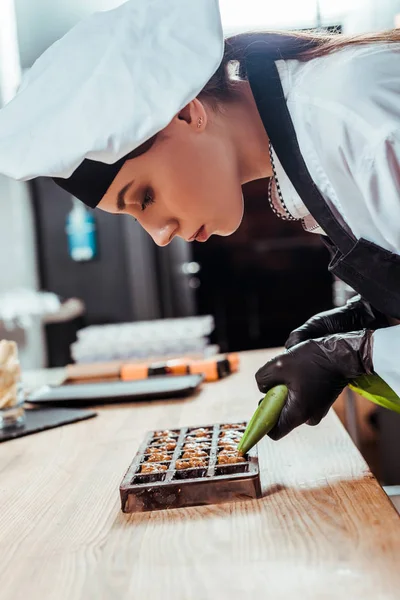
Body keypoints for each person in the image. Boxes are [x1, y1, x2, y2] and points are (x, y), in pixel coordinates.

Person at [0, 0, 399, 440]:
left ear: (188, 112)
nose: (160, 234)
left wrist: (360, 355)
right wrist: (372, 319)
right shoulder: (310, 139)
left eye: (145, 197)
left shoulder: (357, 113)